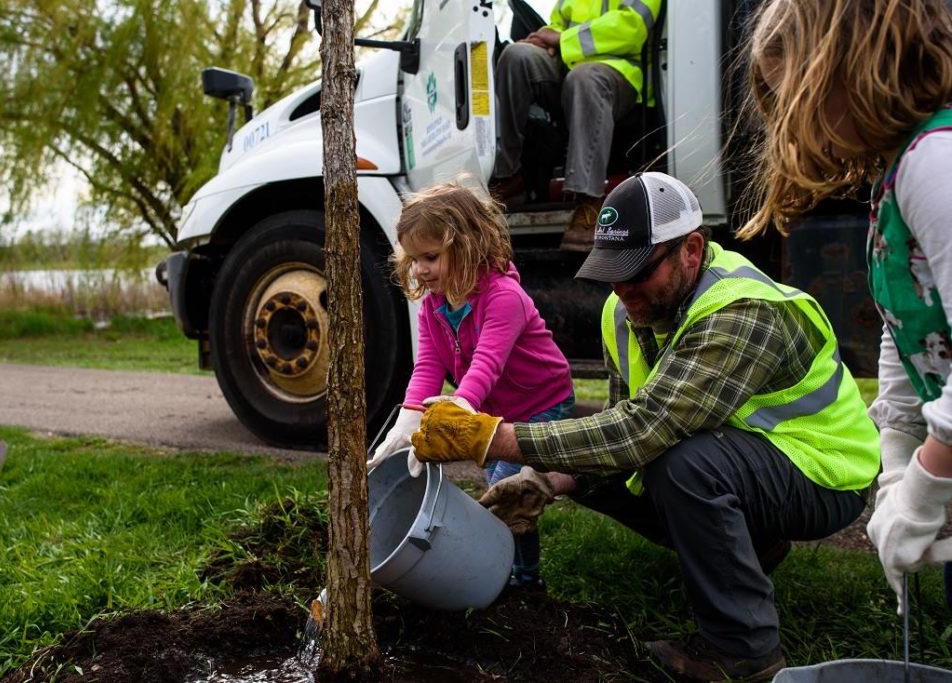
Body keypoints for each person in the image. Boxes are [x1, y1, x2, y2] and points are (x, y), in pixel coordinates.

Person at [408, 172, 880, 682]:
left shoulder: (741, 311)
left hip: (828, 473)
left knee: (684, 464)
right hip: (749, 462)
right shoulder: (622, 311)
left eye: (638, 272)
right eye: (612, 272)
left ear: (691, 250)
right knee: (590, 460)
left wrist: (494, 439)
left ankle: (742, 649)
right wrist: (545, 481)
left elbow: (645, 430)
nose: (623, 289)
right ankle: (752, 548)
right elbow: (618, 432)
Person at [737, 0, 952, 616]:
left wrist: (928, 480)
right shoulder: (900, 171)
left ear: (854, 66)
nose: (795, 125)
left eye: (800, 96)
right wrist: (896, 463)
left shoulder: (935, 165)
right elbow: (906, 326)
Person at [366, 180, 575, 591]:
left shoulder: (504, 297)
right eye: (414, 258)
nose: (421, 269)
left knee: (508, 489)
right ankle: (513, 569)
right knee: (504, 487)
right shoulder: (434, 305)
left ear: (468, 246)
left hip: (542, 402)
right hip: (495, 409)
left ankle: (525, 580)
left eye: (431, 257)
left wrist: (462, 404)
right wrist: (407, 421)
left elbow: (487, 364)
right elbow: (428, 364)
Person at [488, 0, 661, 252]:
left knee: (584, 78)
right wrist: (543, 40)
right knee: (517, 55)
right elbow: (558, 24)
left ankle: (588, 201)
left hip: (619, 73)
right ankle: (510, 176)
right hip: (570, 64)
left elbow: (630, 30)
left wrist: (562, 39)